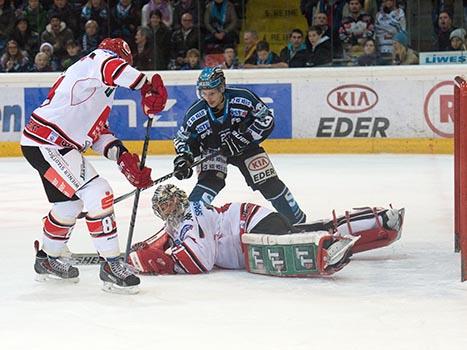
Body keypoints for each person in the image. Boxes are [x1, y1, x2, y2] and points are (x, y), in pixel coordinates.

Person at [20, 38, 168, 294]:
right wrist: (145, 85)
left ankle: (47, 259)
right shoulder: (97, 60)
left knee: (69, 205)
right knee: (99, 192)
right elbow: (112, 67)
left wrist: (124, 159)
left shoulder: (98, 87)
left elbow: (98, 134)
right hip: (50, 142)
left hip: (45, 142)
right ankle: (111, 264)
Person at [128, 184, 405, 276]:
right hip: (255, 223)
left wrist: (160, 263)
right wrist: (138, 253)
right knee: (307, 229)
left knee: (291, 243)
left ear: (180, 198)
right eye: (164, 206)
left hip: (252, 228)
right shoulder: (179, 221)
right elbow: (160, 240)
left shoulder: (193, 215)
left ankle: (329, 247)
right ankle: (379, 223)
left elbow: (201, 261)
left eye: (171, 201)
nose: (169, 208)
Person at [172, 66, 307, 225]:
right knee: (210, 182)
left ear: (222, 88)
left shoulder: (243, 98)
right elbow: (182, 139)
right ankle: (189, 224)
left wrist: (244, 138)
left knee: (268, 182)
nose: (208, 98)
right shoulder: (195, 113)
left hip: (246, 148)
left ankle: (298, 221)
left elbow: (267, 120)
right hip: (213, 150)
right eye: (204, 93)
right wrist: (183, 158)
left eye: (212, 93)